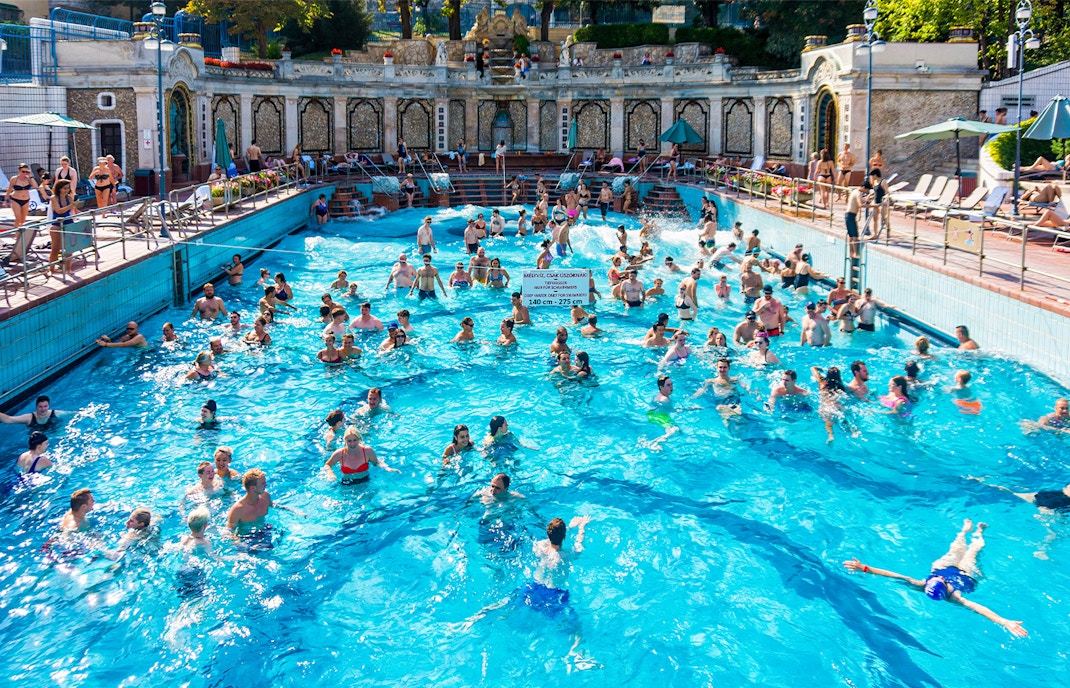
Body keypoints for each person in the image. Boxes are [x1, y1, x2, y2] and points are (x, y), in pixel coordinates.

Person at [843, 519, 1027, 637]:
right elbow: (978, 608)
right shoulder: (955, 598)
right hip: (966, 575)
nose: (942, 580)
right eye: (941, 582)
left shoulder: (922, 584)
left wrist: (865, 568)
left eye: (937, 580)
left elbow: (894, 575)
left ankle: (964, 531)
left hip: (944, 567)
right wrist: (1004, 621)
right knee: (974, 550)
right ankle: (978, 533)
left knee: (955, 549)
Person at [226, 469, 301, 544]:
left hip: (264, 530)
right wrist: (238, 543)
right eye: (263, 483)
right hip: (247, 538)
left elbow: (274, 506)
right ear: (253, 488)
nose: (266, 484)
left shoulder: (265, 496)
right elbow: (228, 532)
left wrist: (295, 512)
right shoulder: (238, 509)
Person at [324, 427, 398, 484]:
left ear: (359, 439)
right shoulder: (340, 453)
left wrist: (387, 468)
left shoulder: (367, 451)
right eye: (349, 441)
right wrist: (330, 473)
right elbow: (327, 465)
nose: (352, 444)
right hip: (346, 485)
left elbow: (377, 462)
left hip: (365, 483)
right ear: (345, 441)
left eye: (355, 440)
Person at [46, 179, 76, 275]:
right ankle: (51, 269)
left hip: (68, 222)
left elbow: (71, 210)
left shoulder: (69, 198)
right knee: (55, 248)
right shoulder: (53, 198)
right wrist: (71, 205)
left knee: (69, 247)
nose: (66, 190)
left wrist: (73, 206)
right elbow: (58, 211)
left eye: (68, 188)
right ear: (59, 189)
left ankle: (68, 269)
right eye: (64, 188)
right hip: (57, 223)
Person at [0, 395, 72, 431]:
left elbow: (73, 413)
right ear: (36, 407)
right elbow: (9, 419)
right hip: (37, 443)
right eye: (40, 407)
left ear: (49, 406)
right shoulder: (29, 418)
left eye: (45, 406)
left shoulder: (55, 413)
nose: (43, 409)